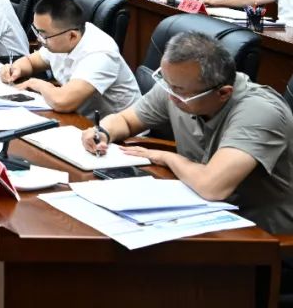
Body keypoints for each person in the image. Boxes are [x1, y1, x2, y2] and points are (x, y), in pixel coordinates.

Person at [82, 32, 293, 235]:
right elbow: (126, 121)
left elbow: (212, 187)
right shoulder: (178, 85)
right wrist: (102, 132)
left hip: (260, 234)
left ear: (223, 93)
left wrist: (167, 157)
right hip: (198, 211)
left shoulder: (260, 112)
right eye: (167, 83)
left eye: (179, 91)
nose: (170, 94)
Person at [0, 0, 140, 117]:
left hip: (117, 134)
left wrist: (35, 83)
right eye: (38, 32)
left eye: (44, 35)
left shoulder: (100, 53)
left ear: (72, 36)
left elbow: (62, 101)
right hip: (79, 118)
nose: (39, 39)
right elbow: (31, 62)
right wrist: (15, 69)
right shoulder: (60, 37)